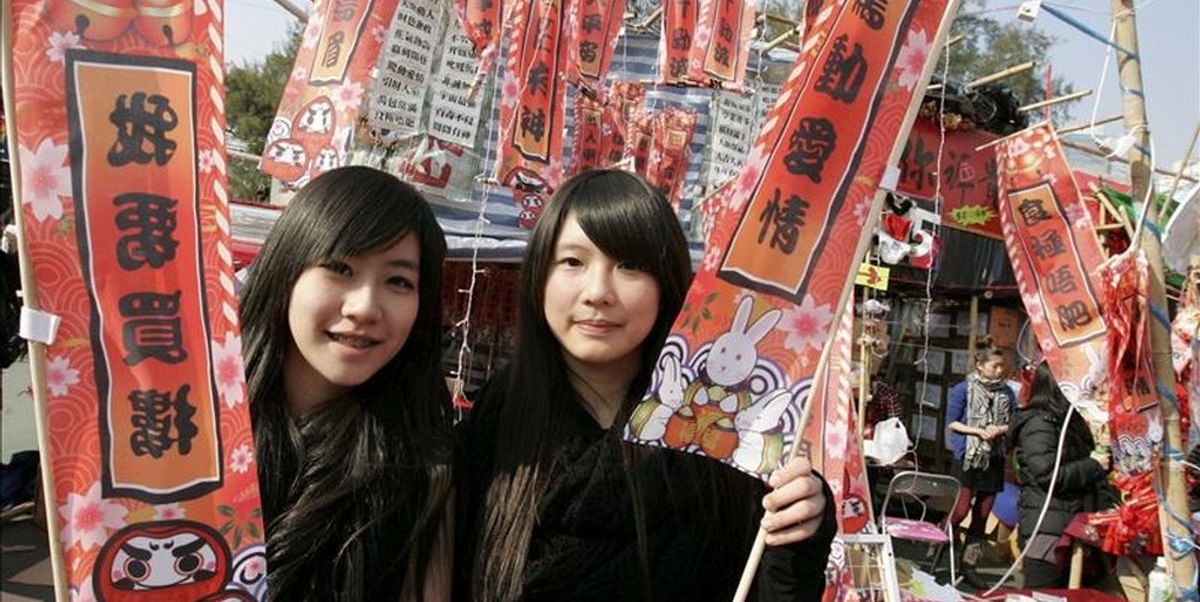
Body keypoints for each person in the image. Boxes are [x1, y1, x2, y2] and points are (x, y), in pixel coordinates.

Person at [455, 169, 836, 602]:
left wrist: (797, 535)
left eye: (629, 265)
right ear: (540, 275)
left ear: (666, 284)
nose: (598, 291)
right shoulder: (490, 432)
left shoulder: (718, 437)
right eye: (573, 262)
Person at [240, 167, 453, 601]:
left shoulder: (423, 472)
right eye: (339, 268)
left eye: (398, 281)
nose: (365, 307)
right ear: (286, 271)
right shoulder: (192, 428)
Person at [1008, 363, 1114, 588]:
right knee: (1043, 593)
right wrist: (1093, 464)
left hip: (1072, 522)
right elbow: (1048, 474)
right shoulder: (1038, 423)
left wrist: (1105, 458)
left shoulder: (1069, 419)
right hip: (1047, 528)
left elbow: (1085, 465)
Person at [945, 338, 1016, 585]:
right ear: (980, 366)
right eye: (995, 366)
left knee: (982, 514)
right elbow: (952, 422)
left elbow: (1014, 422)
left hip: (994, 458)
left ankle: (970, 565)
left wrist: (1000, 429)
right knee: (961, 510)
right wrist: (977, 431)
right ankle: (939, 544)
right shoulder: (963, 389)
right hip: (968, 456)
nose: (999, 371)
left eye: (1001, 366)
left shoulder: (1006, 392)